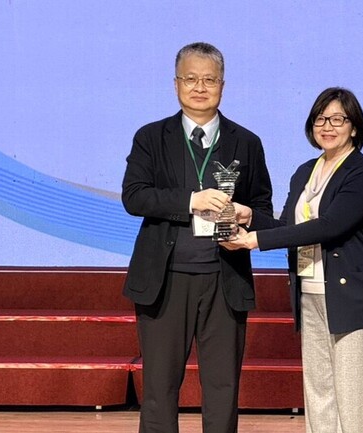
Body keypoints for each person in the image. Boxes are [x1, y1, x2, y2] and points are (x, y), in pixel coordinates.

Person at [121, 42, 273, 433]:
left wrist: (247, 214)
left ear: (223, 84)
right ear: (176, 84)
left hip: (225, 278)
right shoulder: (151, 137)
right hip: (164, 279)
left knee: (223, 388)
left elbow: (265, 209)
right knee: (159, 388)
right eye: (191, 78)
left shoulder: (246, 142)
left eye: (209, 79)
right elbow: (134, 196)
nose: (200, 87)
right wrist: (192, 200)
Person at [222, 87, 363, 433]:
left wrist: (254, 241)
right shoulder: (305, 171)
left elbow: (329, 226)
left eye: (337, 119)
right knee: (319, 396)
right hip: (310, 295)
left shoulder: (362, 174)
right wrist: (249, 217)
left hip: (354, 299)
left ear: (354, 127)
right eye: (320, 119)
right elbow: (289, 227)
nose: (327, 126)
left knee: (353, 403)